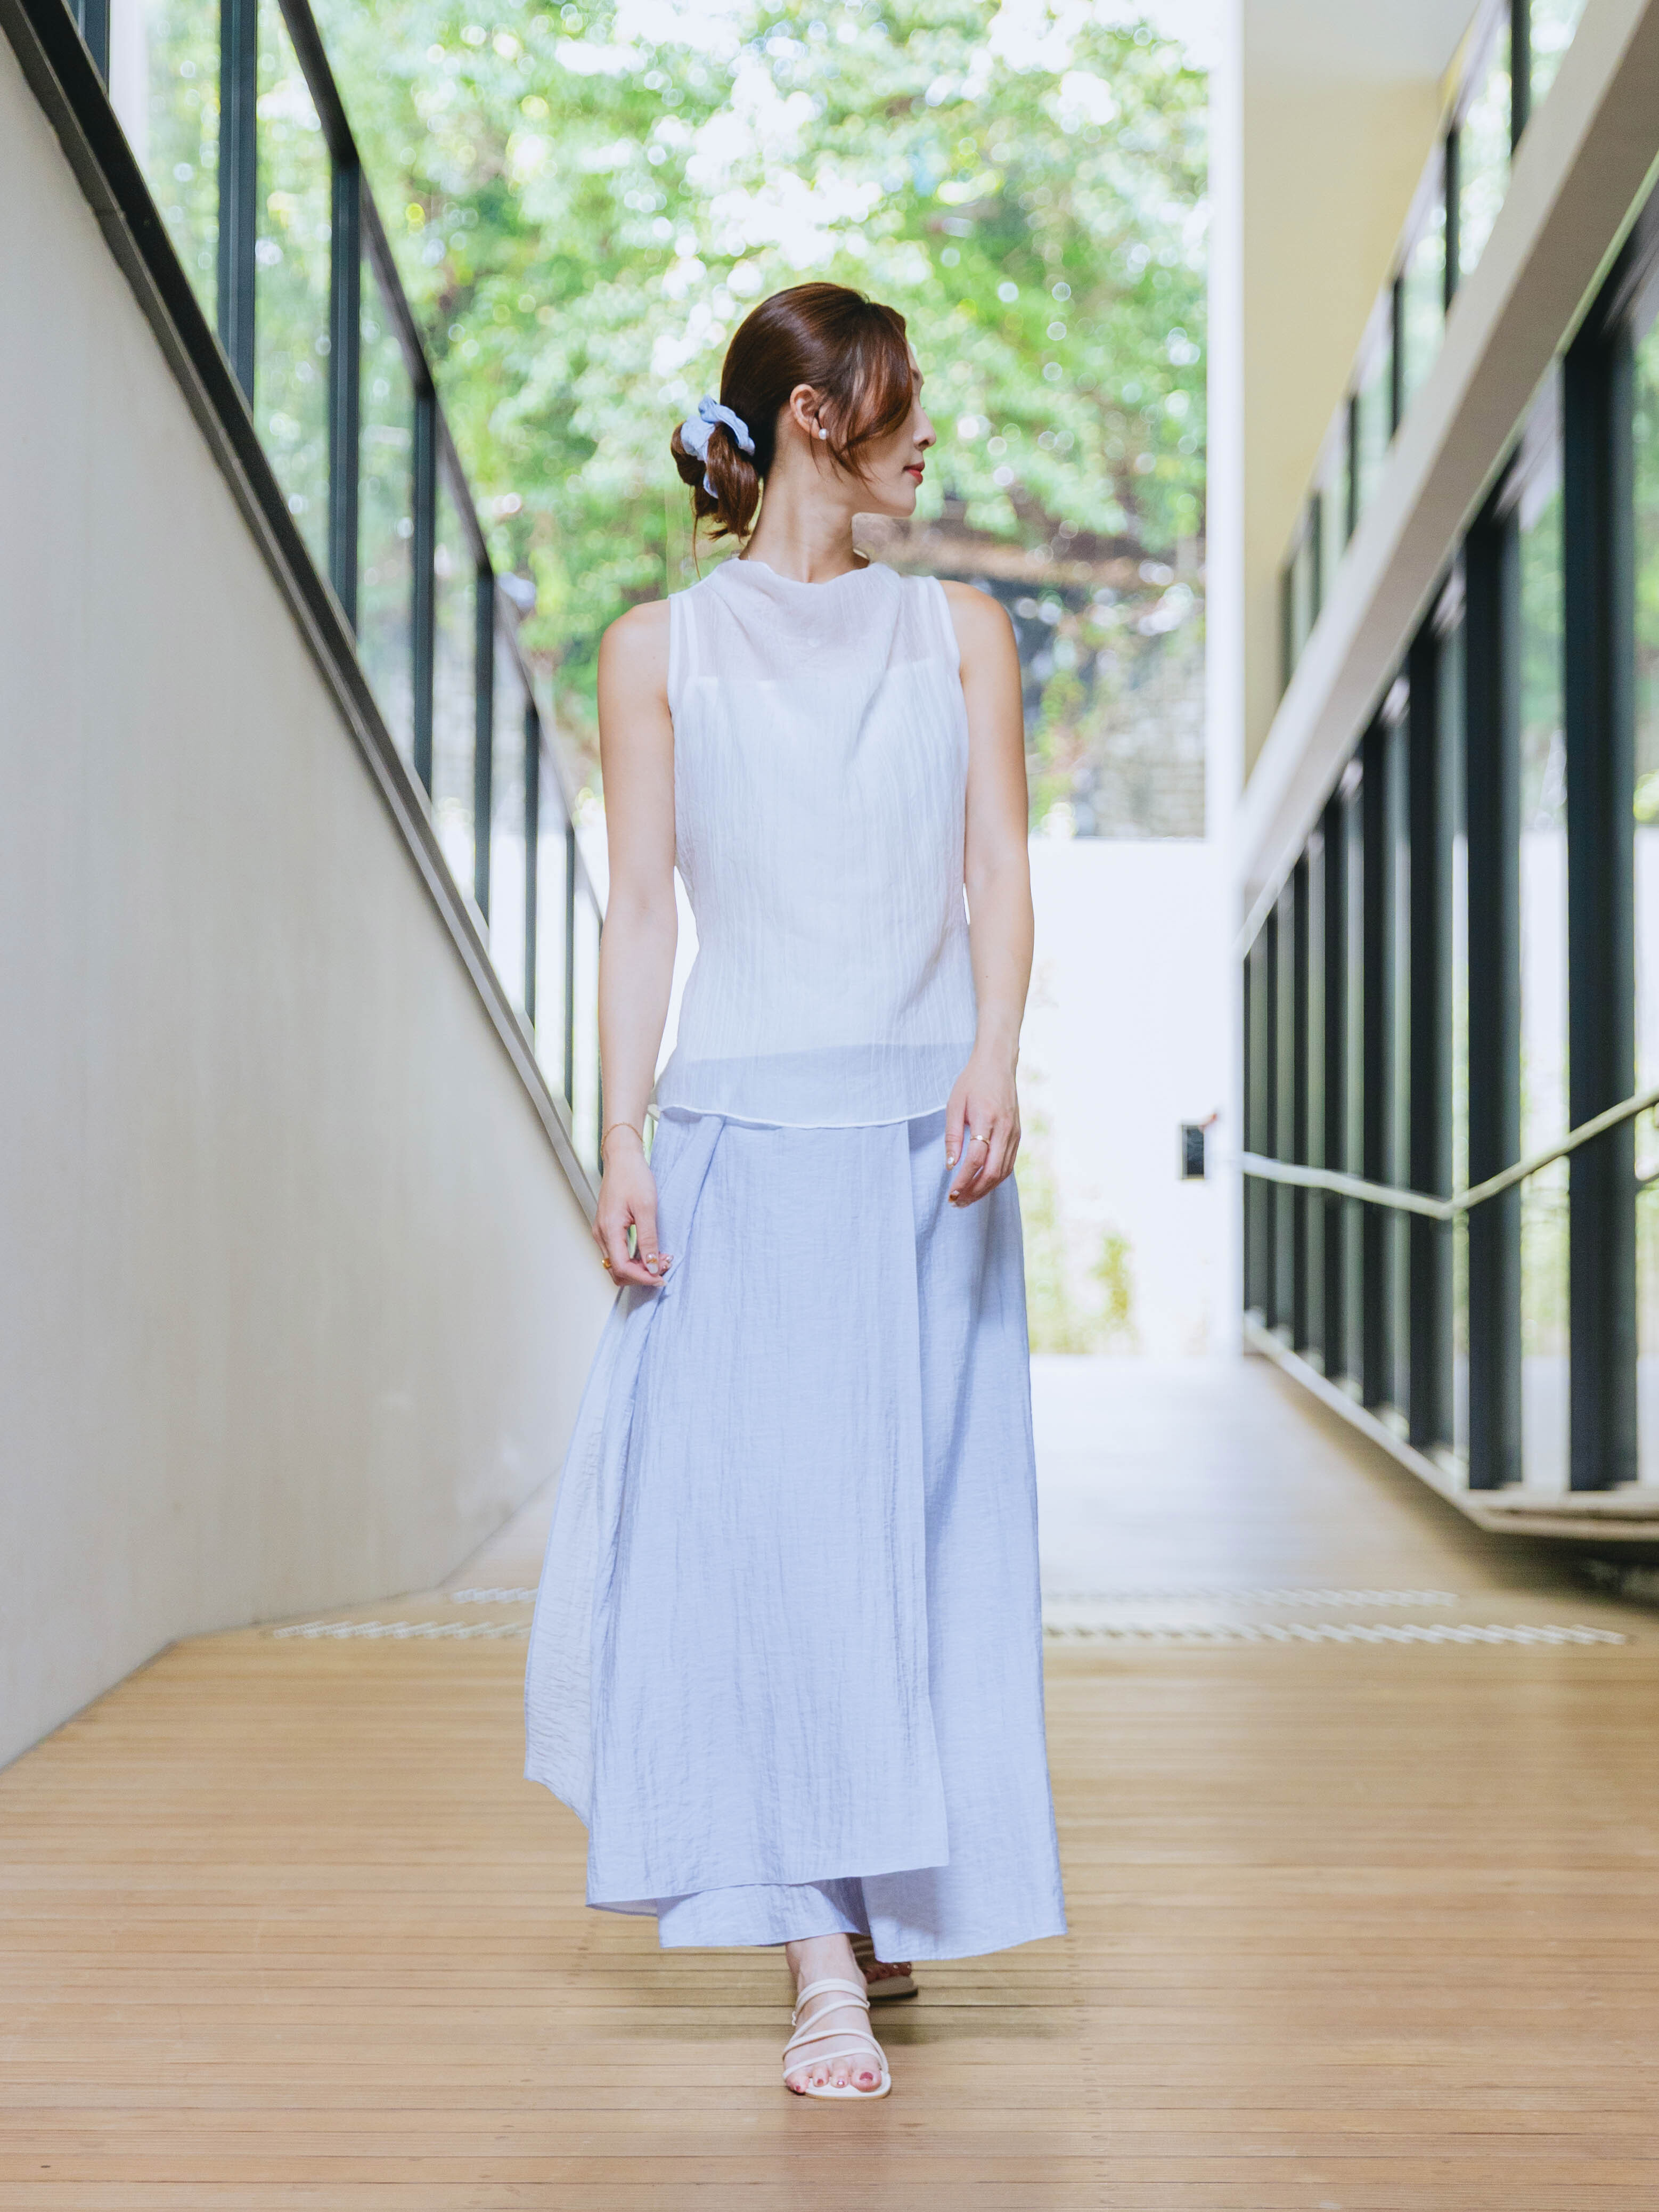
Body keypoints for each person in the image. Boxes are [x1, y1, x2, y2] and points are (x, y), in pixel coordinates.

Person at [525, 281, 1065, 2103]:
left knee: (917, 1539)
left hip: (929, 1154)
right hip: (738, 1154)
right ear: (818, 418)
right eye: (903, 402)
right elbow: (641, 911)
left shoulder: (961, 633)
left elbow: (998, 867)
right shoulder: (655, 650)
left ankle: (878, 1876)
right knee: (768, 1543)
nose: (931, 434)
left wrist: (994, 1052)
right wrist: (620, 1137)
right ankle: (817, 1960)